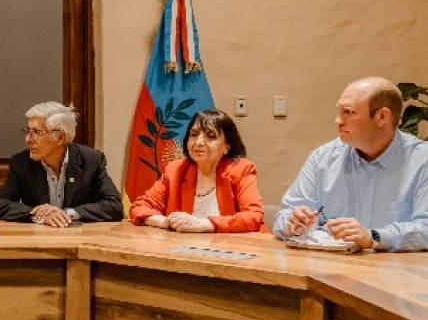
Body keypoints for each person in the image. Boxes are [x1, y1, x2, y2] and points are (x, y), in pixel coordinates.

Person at [274, 77, 427, 251]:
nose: (338, 120)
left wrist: (373, 237)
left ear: (382, 117)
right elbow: (282, 218)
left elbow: (426, 228)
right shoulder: (322, 158)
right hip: (329, 269)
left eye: (349, 112)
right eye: (339, 111)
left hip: (397, 273)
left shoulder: (422, 161)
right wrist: (293, 222)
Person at [130, 109, 264, 232]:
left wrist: (207, 224)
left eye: (211, 136)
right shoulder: (175, 170)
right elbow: (139, 207)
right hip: (182, 251)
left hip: (233, 252)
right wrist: (165, 221)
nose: (199, 142)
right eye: (193, 134)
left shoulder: (241, 169)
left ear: (226, 147)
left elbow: (253, 216)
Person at [0, 101, 124, 227]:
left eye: (37, 132)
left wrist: (68, 214)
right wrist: (37, 213)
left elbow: (114, 206)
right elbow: (1, 205)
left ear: (60, 138)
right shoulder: (21, 163)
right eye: (28, 131)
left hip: (79, 238)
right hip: (37, 239)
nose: (28, 139)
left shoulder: (91, 160)